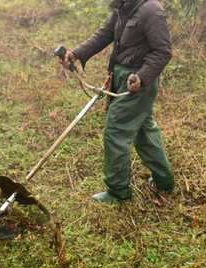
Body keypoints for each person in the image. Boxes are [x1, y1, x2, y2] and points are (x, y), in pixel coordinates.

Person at [57, 0, 175, 202]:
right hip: (123, 77)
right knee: (144, 130)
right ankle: (164, 181)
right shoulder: (125, 5)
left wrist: (142, 77)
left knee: (116, 131)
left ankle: (118, 191)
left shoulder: (151, 10)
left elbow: (163, 51)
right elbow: (105, 33)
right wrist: (76, 53)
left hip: (137, 80)